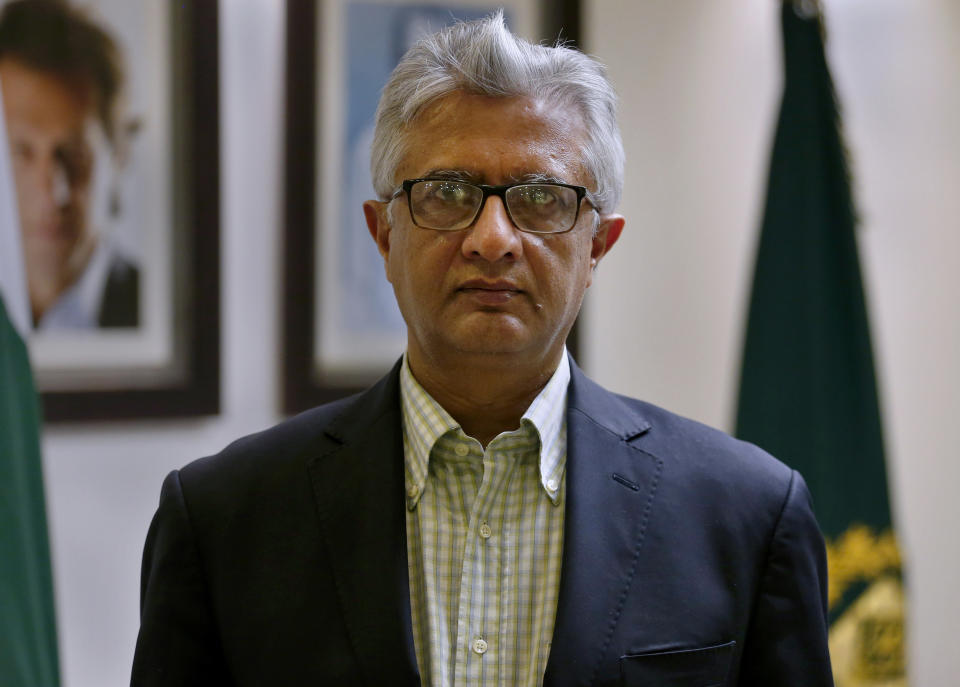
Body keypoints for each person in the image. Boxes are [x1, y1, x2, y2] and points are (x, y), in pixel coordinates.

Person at [132, 13, 833, 686]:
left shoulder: (747, 517)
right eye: (447, 191)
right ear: (383, 235)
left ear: (598, 245)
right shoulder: (224, 520)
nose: (492, 237)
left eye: (540, 197)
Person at [0, 0, 138, 329]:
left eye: (74, 154)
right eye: (21, 153)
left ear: (118, 156)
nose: (53, 192)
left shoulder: (161, 318)